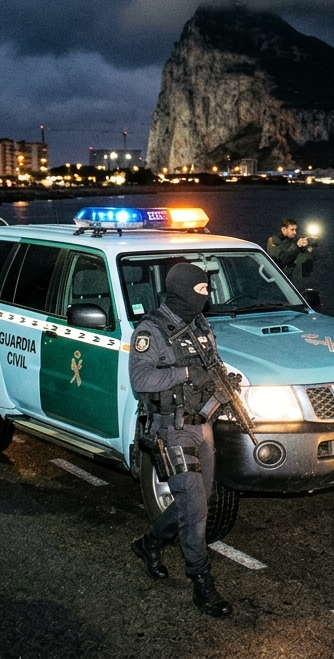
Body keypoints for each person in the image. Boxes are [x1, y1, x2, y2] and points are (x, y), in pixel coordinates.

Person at [127, 263, 234, 618]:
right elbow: (141, 378)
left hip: (201, 423)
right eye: (201, 291)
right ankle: (202, 585)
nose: (206, 298)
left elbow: (211, 362)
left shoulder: (200, 324)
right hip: (170, 428)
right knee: (195, 508)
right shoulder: (152, 329)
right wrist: (186, 372)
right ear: (183, 290)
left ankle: (150, 544)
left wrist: (223, 381)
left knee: (200, 500)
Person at [266, 217, 314, 288]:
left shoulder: (295, 240)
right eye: (292, 230)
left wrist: (307, 248)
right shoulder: (274, 241)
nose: (294, 232)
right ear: (283, 230)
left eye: (295, 230)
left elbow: (307, 261)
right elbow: (282, 259)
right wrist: (297, 246)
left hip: (296, 281)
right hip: (280, 282)